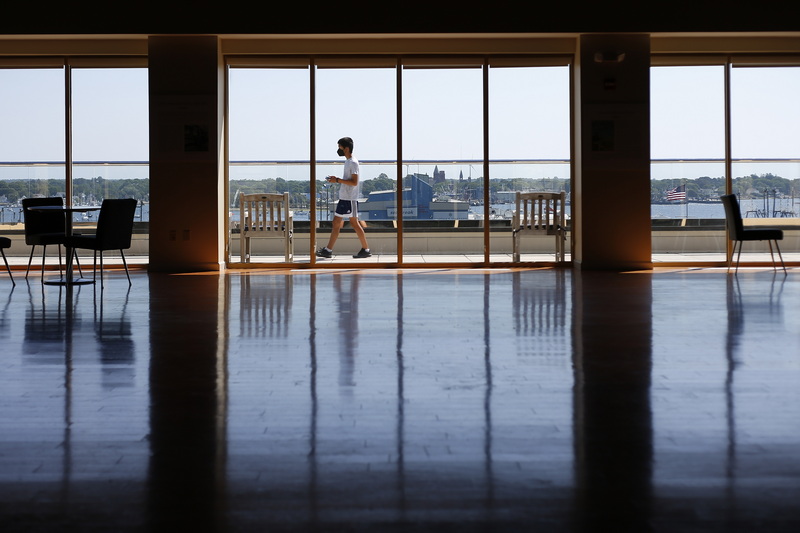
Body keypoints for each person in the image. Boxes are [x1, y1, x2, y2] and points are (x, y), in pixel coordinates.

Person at [316, 137, 371, 259]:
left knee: (349, 223)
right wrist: (336, 180)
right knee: (343, 223)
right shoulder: (348, 162)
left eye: (340, 147)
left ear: (346, 148)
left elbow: (354, 182)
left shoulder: (352, 162)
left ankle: (364, 249)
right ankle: (329, 250)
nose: (338, 149)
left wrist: (337, 180)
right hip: (346, 198)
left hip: (349, 199)